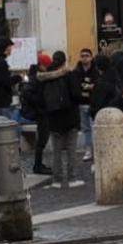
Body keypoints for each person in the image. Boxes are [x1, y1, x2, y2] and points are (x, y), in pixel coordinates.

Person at [36, 51, 83, 189]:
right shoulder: (69, 74)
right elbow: (76, 94)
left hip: (53, 117)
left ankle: (56, 180)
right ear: (64, 61)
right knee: (71, 149)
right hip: (70, 116)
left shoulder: (44, 77)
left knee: (56, 150)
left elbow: (40, 98)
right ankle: (72, 178)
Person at [71, 48, 98, 161]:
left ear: (91, 57)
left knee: (94, 128)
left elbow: (97, 85)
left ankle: (96, 150)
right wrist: (88, 88)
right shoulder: (77, 71)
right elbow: (76, 87)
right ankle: (88, 150)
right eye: (82, 56)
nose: (84, 58)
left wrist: (89, 87)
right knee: (86, 129)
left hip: (93, 104)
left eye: (87, 55)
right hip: (81, 104)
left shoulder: (96, 70)